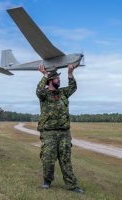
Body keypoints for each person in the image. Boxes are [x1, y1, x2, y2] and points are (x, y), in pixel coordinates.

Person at [36, 64, 84, 194]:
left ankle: (72, 185)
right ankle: (47, 181)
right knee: (48, 159)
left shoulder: (63, 92)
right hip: (49, 132)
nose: (59, 80)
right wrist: (44, 75)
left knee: (65, 159)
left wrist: (70, 73)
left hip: (64, 133)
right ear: (51, 80)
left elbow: (73, 87)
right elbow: (38, 91)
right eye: (57, 78)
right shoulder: (44, 94)